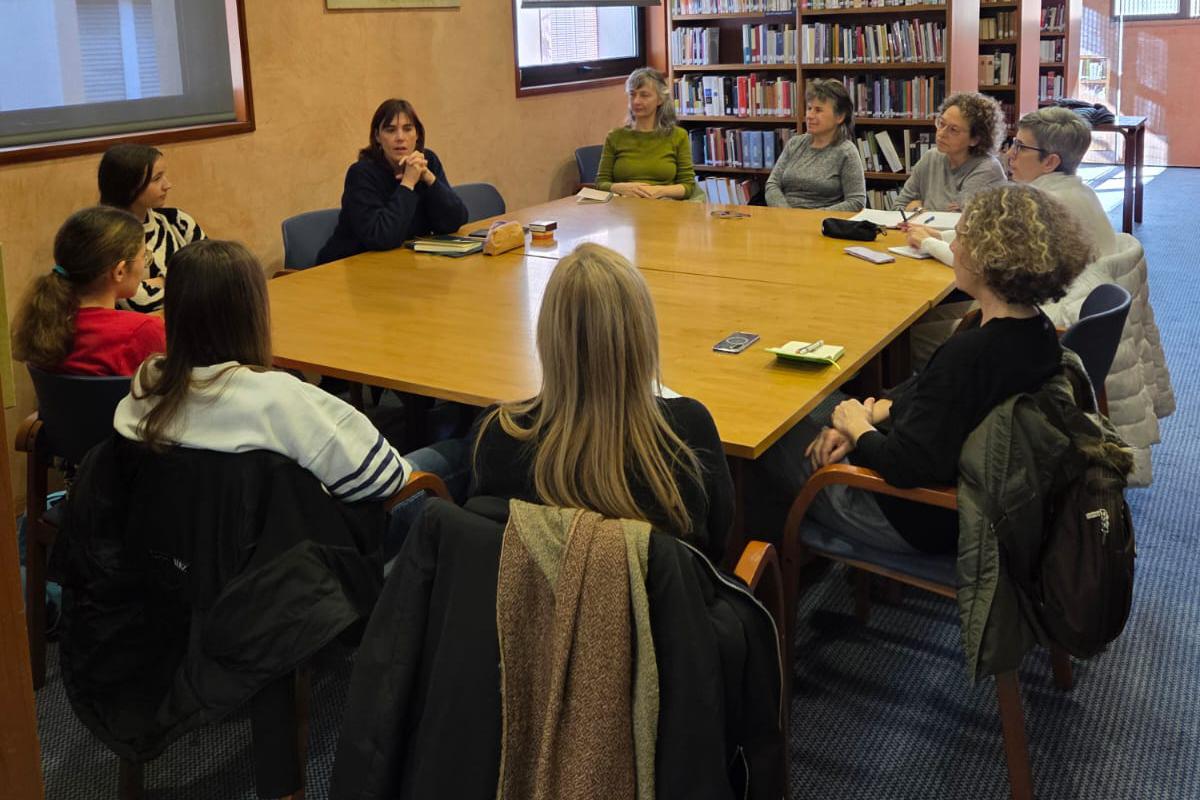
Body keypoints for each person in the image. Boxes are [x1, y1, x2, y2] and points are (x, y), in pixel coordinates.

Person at [752, 184, 1088, 553]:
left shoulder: (969, 354)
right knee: (818, 415)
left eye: (961, 238)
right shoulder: (1036, 330)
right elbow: (930, 401)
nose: (953, 248)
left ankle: (764, 561)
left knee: (766, 430)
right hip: (978, 504)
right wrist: (865, 419)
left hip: (920, 517)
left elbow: (904, 467)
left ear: (987, 258)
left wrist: (857, 427)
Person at [112, 239, 465, 559]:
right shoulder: (279, 398)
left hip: (185, 557)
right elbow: (387, 480)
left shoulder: (147, 381)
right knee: (459, 451)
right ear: (251, 311)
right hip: (301, 561)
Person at [470, 243, 733, 563]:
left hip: (534, 596)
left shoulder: (498, 433)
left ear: (547, 335)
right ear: (643, 335)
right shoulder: (687, 432)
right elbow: (718, 549)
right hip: (661, 596)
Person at [906, 106, 1116, 264]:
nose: (1009, 154)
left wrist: (927, 243)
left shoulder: (1041, 204)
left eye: (1020, 147)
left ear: (1050, 162)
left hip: (1048, 308)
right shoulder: (1083, 193)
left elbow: (978, 264)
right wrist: (940, 236)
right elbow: (990, 240)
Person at [11, 206, 165, 376]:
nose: (145, 264)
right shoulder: (143, 331)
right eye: (144, 256)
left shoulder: (44, 324)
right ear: (119, 271)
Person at [317, 98, 468, 265]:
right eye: (390, 130)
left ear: (417, 134)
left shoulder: (427, 161)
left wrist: (429, 178)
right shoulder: (361, 173)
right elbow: (381, 238)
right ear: (377, 136)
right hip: (349, 267)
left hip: (401, 264)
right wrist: (408, 183)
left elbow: (455, 221)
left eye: (407, 129)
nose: (400, 137)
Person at [99, 143, 206, 313]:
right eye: (157, 179)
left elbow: (212, 272)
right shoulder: (106, 237)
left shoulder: (177, 221)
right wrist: (182, 279)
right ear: (129, 186)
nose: (167, 185)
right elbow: (135, 301)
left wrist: (159, 282)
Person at [595, 68, 698, 201]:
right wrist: (620, 188)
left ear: (660, 99)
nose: (636, 101)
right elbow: (601, 183)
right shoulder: (615, 136)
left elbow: (688, 186)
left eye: (644, 95)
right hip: (624, 206)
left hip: (663, 205)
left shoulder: (678, 136)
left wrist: (659, 191)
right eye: (632, 94)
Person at [893, 92, 1007, 212]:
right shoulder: (931, 158)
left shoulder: (988, 169)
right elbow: (898, 207)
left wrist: (915, 208)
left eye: (953, 130)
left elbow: (959, 218)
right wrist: (919, 209)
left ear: (975, 139)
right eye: (941, 123)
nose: (941, 133)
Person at [764, 79, 865, 211]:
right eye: (809, 108)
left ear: (839, 117)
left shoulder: (846, 152)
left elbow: (856, 202)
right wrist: (787, 213)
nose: (809, 116)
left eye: (818, 110)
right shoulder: (794, 144)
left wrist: (810, 217)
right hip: (784, 217)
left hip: (821, 221)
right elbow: (772, 184)